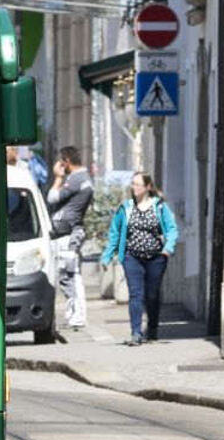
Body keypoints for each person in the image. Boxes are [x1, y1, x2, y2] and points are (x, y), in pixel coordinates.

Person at [101, 172, 180, 346]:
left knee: (151, 295)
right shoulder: (126, 208)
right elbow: (115, 232)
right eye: (133, 184)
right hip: (132, 257)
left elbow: (172, 229)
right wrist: (107, 256)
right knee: (136, 295)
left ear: (148, 187)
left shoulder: (159, 206)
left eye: (138, 184)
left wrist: (168, 248)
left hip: (156, 258)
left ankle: (152, 328)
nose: (134, 187)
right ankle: (136, 333)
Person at [46, 147, 94, 331]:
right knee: (69, 274)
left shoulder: (76, 179)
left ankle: (77, 316)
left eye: (61, 162)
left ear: (66, 161)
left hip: (69, 233)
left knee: (70, 274)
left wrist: (58, 178)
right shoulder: (82, 178)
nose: (59, 165)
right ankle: (75, 315)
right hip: (67, 232)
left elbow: (52, 198)